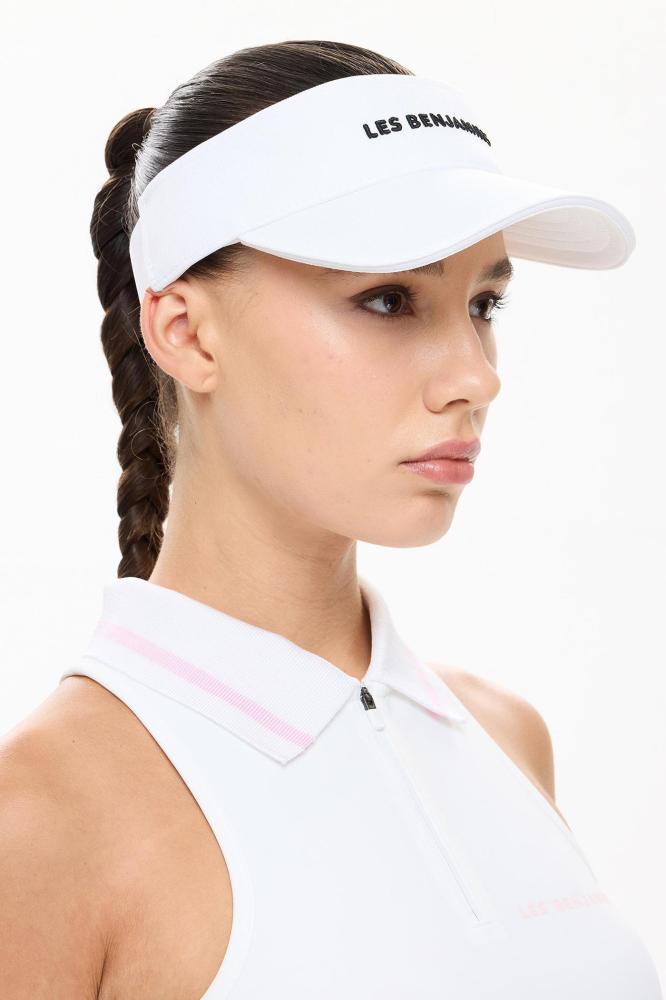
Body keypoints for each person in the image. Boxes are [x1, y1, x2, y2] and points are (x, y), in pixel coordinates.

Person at [0, 38, 661, 1000]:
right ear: (184, 331)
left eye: (485, 303)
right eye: (389, 299)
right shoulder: (44, 817)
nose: (477, 377)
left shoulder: (507, 736)